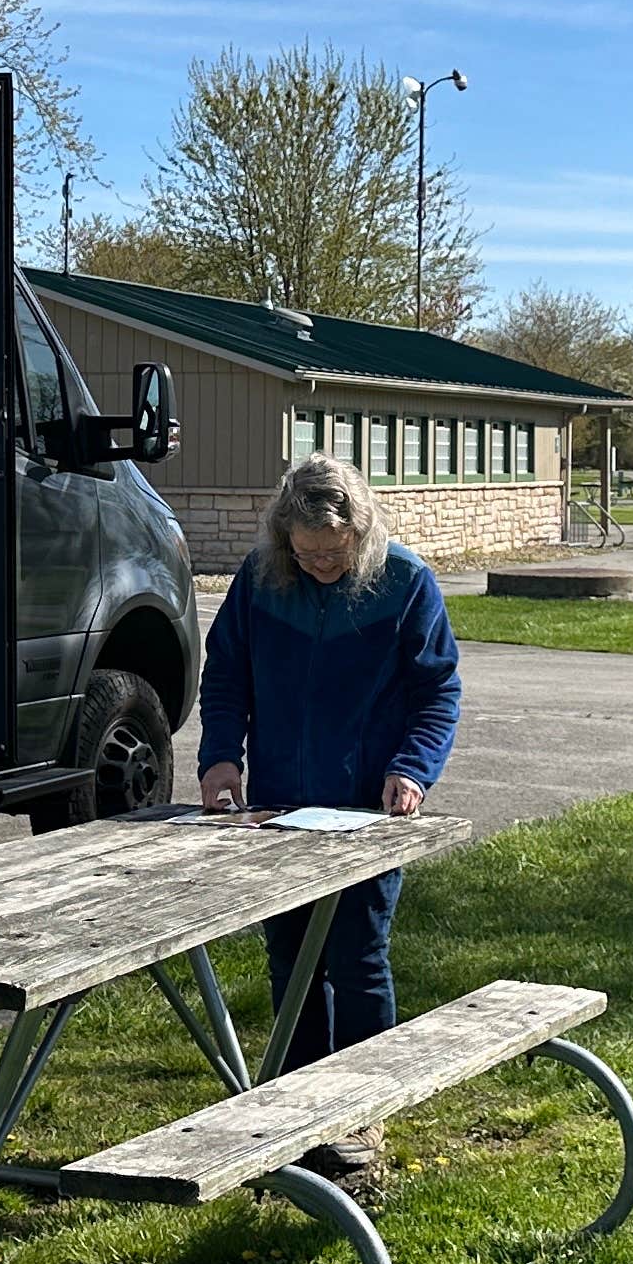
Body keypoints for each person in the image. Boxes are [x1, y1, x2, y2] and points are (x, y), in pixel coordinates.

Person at [194, 453, 461, 1181]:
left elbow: (438, 694)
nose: (318, 566)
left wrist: (412, 769)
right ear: (284, 538)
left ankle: (362, 1111)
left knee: (358, 957)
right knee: (291, 958)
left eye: (332, 555)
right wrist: (221, 757)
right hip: (277, 806)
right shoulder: (258, 579)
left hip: (364, 811)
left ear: (361, 535)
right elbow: (225, 676)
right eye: (305, 553)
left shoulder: (406, 582)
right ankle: (298, 1105)